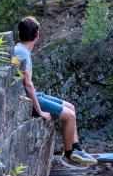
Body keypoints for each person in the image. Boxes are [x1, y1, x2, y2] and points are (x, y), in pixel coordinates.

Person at [13, 16, 97, 167]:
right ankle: (69, 154)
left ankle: (77, 147)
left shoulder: (19, 48)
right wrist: (39, 111)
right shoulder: (22, 52)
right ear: (36, 34)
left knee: (70, 107)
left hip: (32, 95)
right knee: (70, 116)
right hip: (28, 99)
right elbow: (27, 84)